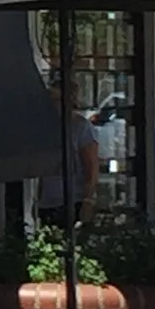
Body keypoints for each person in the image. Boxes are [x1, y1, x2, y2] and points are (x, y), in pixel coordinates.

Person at [39, 78, 101, 218]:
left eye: (55, 99)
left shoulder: (81, 127)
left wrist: (88, 200)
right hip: (47, 200)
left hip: (72, 199)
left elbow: (91, 167)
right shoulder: (45, 127)